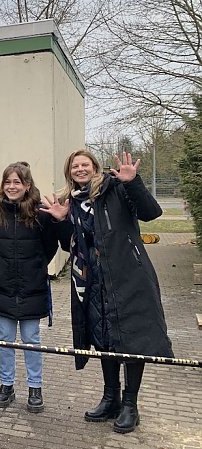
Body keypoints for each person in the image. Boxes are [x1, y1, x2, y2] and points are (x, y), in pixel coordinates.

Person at [41, 150, 173, 434]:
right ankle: (110, 397)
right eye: (74, 166)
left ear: (95, 167)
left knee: (133, 339)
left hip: (129, 276)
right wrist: (63, 221)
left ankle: (130, 405)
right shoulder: (73, 203)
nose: (80, 169)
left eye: (84, 164)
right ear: (69, 172)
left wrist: (133, 182)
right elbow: (71, 246)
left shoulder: (116, 189)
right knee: (103, 337)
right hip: (94, 280)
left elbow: (151, 213)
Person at [0, 162, 68, 413]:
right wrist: (0, 266)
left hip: (32, 287)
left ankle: (35, 387)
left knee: (31, 339)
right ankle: (6, 385)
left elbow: (50, 247)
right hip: (2, 287)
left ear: (27, 185)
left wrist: (34, 267)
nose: (11, 186)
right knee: (4, 340)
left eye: (17, 182)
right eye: (7, 182)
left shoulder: (41, 214)